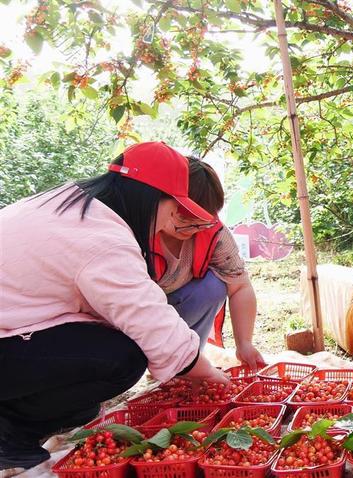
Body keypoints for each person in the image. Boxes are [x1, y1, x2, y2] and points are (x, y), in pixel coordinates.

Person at [0, 142, 230, 471]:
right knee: (123, 358)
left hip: (11, 331)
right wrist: (206, 372)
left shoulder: (69, 202)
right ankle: (9, 435)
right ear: (150, 198)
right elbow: (148, 321)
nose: (168, 222)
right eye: (171, 209)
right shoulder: (101, 238)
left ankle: (14, 426)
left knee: (82, 407)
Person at [154, 157, 265, 368]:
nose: (192, 229)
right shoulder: (135, 231)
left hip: (181, 305)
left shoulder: (215, 233)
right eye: (184, 221)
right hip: (136, 311)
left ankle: (187, 359)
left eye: (200, 224)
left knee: (214, 286)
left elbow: (240, 286)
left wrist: (244, 344)